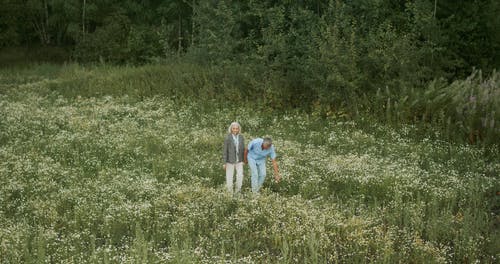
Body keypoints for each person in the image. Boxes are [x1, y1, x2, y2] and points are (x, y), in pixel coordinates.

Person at [222, 122, 245, 194]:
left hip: (239, 160)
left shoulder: (241, 137)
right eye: (233, 128)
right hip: (230, 161)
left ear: (239, 129)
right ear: (231, 129)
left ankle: (237, 191)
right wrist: (224, 163)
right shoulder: (227, 137)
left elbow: (243, 149)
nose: (235, 130)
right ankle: (230, 193)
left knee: (240, 176)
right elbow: (225, 151)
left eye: (237, 128)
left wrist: (244, 160)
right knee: (229, 177)